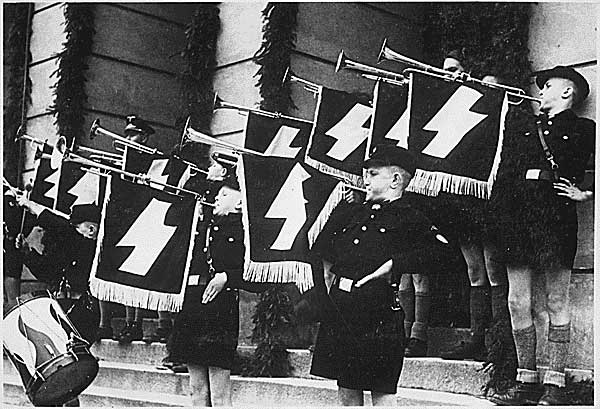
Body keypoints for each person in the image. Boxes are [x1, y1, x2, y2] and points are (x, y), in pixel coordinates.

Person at [310, 146, 451, 406]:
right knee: (346, 390)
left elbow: (446, 255)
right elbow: (321, 248)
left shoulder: (411, 217)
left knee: (382, 393)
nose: (365, 179)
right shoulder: (353, 211)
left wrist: (395, 264)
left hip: (377, 310)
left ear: (396, 180)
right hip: (342, 307)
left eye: (373, 174)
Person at [487, 66, 594, 406]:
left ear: (567, 92)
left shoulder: (584, 128)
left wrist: (586, 192)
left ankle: (556, 382)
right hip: (519, 216)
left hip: (554, 215)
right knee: (518, 301)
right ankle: (527, 379)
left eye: (548, 85)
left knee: (556, 300)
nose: (542, 91)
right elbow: (502, 169)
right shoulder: (524, 127)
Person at [167, 174, 246, 406]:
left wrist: (227, 277)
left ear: (240, 203)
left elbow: (256, 275)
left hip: (219, 309)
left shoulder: (243, 230)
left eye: (224, 195)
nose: (217, 199)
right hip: (191, 303)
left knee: (220, 391)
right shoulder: (200, 226)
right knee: (196, 388)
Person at [114, 115, 158, 344]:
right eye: (127, 134)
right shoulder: (125, 158)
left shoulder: (155, 159)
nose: (129, 138)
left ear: (145, 137)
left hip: (146, 220)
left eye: (134, 134)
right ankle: (129, 322)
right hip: (128, 218)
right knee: (126, 274)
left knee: (139, 274)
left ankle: (137, 323)